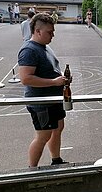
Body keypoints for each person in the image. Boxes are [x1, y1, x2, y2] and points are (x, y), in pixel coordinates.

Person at [18, 13, 69, 167]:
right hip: (41, 103)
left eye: (53, 32)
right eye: (49, 32)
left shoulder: (44, 47)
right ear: (37, 31)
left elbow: (50, 69)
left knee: (58, 128)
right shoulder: (29, 50)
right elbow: (26, 78)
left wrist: (62, 79)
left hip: (53, 99)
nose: (52, 35)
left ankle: (56, 160)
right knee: (43, 135)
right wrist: (54, 82)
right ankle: (32, 169)